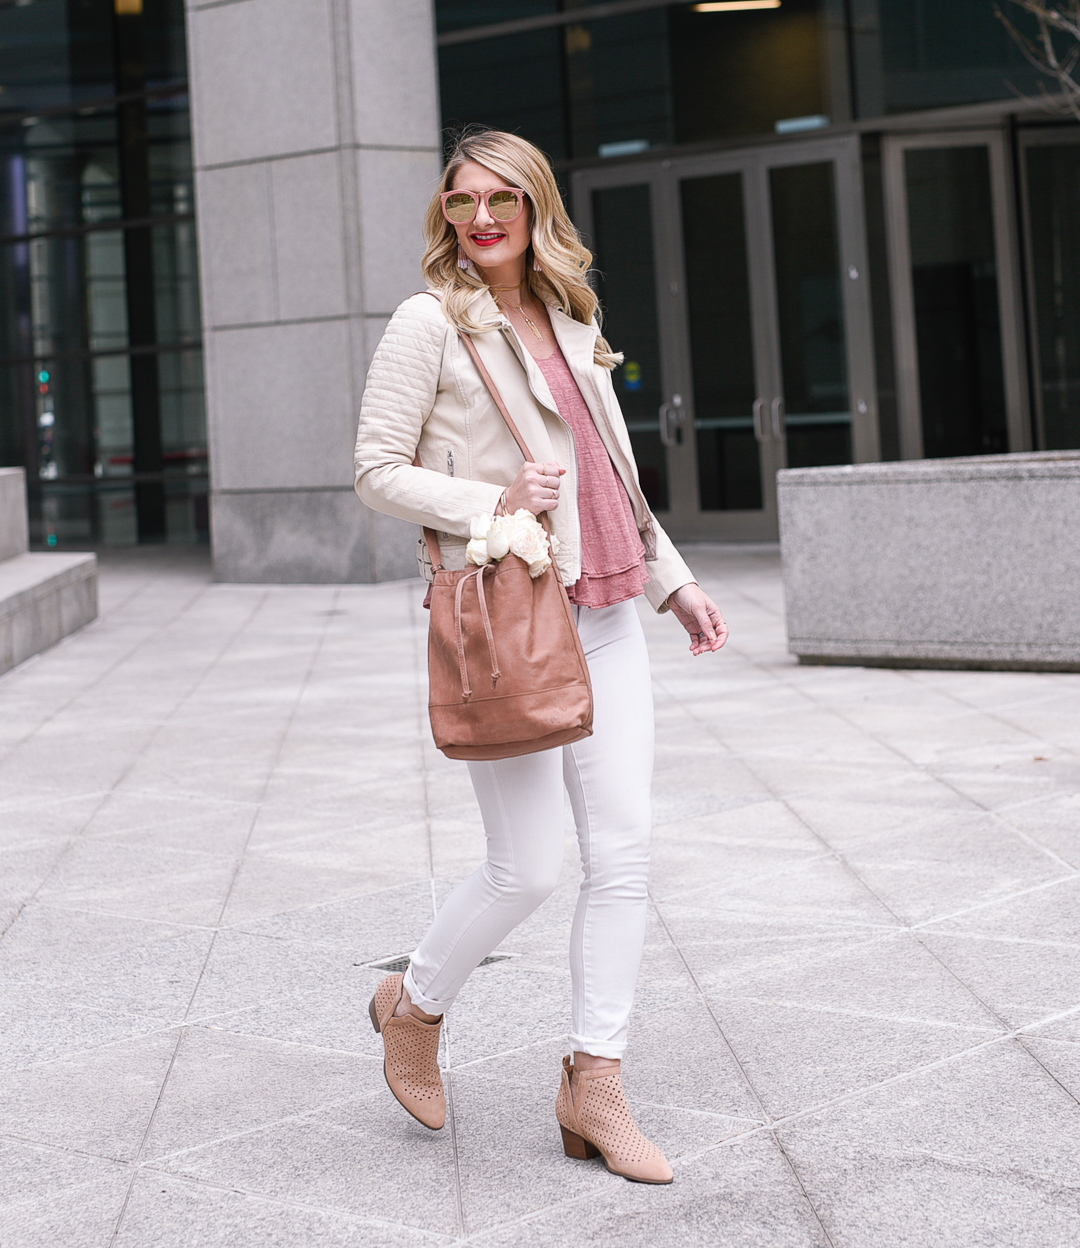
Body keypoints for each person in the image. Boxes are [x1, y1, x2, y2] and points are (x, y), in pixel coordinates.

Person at [354, 127, 727, 1186]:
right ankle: (412, 1009)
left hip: (606, 610)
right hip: (514, 615)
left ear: (535, 211)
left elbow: (615, 472)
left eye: (500, 201)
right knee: (527, 867)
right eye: (461, 200)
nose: (479, 219)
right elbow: (374, 468)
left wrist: (673, 580)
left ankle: (594, 1082)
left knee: (625, 856)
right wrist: (493, 499)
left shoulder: (573, 317)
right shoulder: (428, 323)